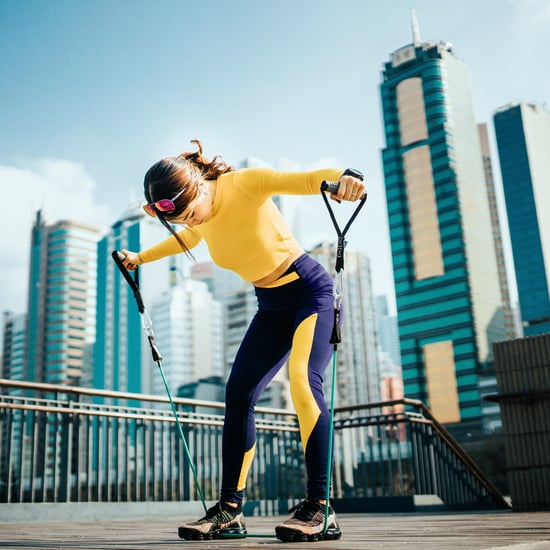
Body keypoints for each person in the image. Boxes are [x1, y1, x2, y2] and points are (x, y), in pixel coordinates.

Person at [121, 140, 365, 542]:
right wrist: (140, 258)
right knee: (238, 394)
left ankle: (321, 508)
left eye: (189, 214)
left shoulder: (245, 184)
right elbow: (187, 239)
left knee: (304, 383)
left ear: (199, 185)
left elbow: (302, 180)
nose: (189, 223)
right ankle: (229, 511)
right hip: (269, 306)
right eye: (180, 220)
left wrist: (341, 180)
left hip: (309, 293)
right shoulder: (195, 221)